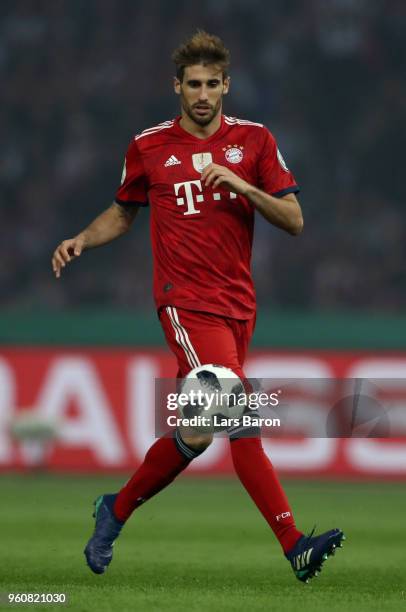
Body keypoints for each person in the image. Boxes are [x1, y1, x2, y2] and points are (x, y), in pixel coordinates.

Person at [52, 30, 345, 583]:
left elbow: (294, 221)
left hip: (238, 306)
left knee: (197, 432)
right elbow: (123, 212)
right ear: (177, 87)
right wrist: (83, 240)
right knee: (241, 412)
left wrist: (243, 185)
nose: (203, 94)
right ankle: (293, 544)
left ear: (227, 86)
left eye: (213, 84)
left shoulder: (255, 142)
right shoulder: (149, 145)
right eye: (193, 84)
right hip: (184, 303)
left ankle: (114, 509)